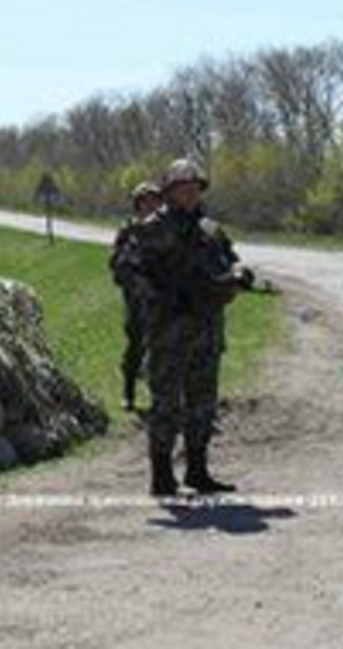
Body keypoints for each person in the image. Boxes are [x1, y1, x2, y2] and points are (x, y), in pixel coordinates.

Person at [131, 159, 253, 498]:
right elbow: (131, 272)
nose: (190, 192)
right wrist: (167, 297)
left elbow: (231, 257)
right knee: (166, 404)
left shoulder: (211, 228)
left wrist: (240, 274)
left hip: (207, 328)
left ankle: (198, 471)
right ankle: (162, 476)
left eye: (195, 187)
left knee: (203, 403)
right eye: (182, 187)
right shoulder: (152, 228)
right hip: (169, 332)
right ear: (168, 191)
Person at [110, 181, 164, 413]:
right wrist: (135, 283)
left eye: (155, 200)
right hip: (137, 300)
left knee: (163, 349)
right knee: (135, 346)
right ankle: (129, 393)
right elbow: (117, 265)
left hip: (163, 300)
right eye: (145, 201)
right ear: (137, 205)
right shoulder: (128, 231)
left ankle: (160, 396)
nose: (150, 205)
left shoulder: (166, 228)